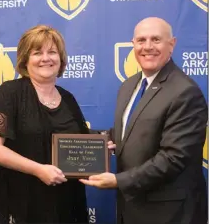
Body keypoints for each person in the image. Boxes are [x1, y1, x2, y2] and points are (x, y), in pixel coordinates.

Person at [80, 17, 208, 224]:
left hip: (169, 212)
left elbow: (174, 157)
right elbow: (130, 132)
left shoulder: (185, 92)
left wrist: (118, 181)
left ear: (172, 44)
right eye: (141, 40)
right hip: (132, 208)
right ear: (133, 44)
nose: (147, 47)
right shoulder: (129, 86)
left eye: (156, 39)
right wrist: (90, 141)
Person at [0, 25, 89, 223]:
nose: (46, 58)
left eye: (52, 52)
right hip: (21, 204)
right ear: (25, 59)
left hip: (65, 205)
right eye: (37, 53)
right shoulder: (9, 94)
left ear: (61, 58)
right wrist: (38, 170)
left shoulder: (68, 99)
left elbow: (82, 147)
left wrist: (101, 150)